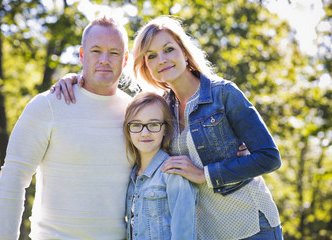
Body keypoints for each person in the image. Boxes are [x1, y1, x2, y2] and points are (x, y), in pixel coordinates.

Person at [53, 16, 283, 240]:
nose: (161, 59)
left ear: (184, 52)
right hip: (204, 232)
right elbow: (129, 117)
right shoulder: (162, 108)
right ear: (147, 66)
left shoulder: (223, 94)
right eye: (151, 56)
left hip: (251, 226)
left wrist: (204, 174)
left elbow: (269, 157)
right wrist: (76, 79)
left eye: (168, 49)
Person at [0, 16, 132, 239]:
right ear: (82, 55)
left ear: (125, 60)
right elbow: (13, 178)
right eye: (96, 50)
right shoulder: (48, 104)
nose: (105, 60)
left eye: (114, 52)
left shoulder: (134, 113)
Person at [123, 92, 198, 240]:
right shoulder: (131, 175)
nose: (145, 133)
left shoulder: (173, 172)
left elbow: (184, 232)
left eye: (153, 124)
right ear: (128, 130)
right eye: (137, 125)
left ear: (165, 129)